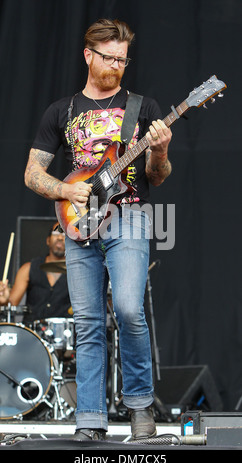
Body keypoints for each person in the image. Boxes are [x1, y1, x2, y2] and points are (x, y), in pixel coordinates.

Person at [24, 19, 172, 441]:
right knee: (88, 322)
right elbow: (33, 172)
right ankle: (90, 418)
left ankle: (140, 405)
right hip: (79, 222)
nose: (117, 67)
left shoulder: (143, 108)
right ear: (88, 55)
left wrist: (158, 151)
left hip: (129, 216)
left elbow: (157, 176)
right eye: (109, 58)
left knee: (128, 308)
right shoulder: (62, 111)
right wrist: (66, 191)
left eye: (123, 60)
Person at [0, 223, 71, 324]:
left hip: (65, 334)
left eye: (65, 234)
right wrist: (4, 301)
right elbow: (11, 304)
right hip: (32, 334)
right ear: (48, 240)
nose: (60, 237)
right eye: (56, 232)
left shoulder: (78, 272)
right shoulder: (28, 268)